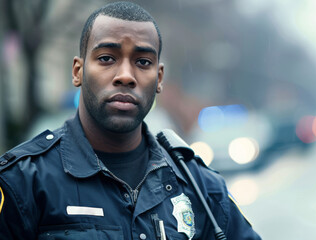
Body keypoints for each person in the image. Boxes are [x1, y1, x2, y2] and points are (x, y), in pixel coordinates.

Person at [0, 2, 261, 239]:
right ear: (78, 72)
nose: (125, 75)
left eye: (143, 62)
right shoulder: (22, 183)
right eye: (106, 58)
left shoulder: (201, 187)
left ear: (159, 79)